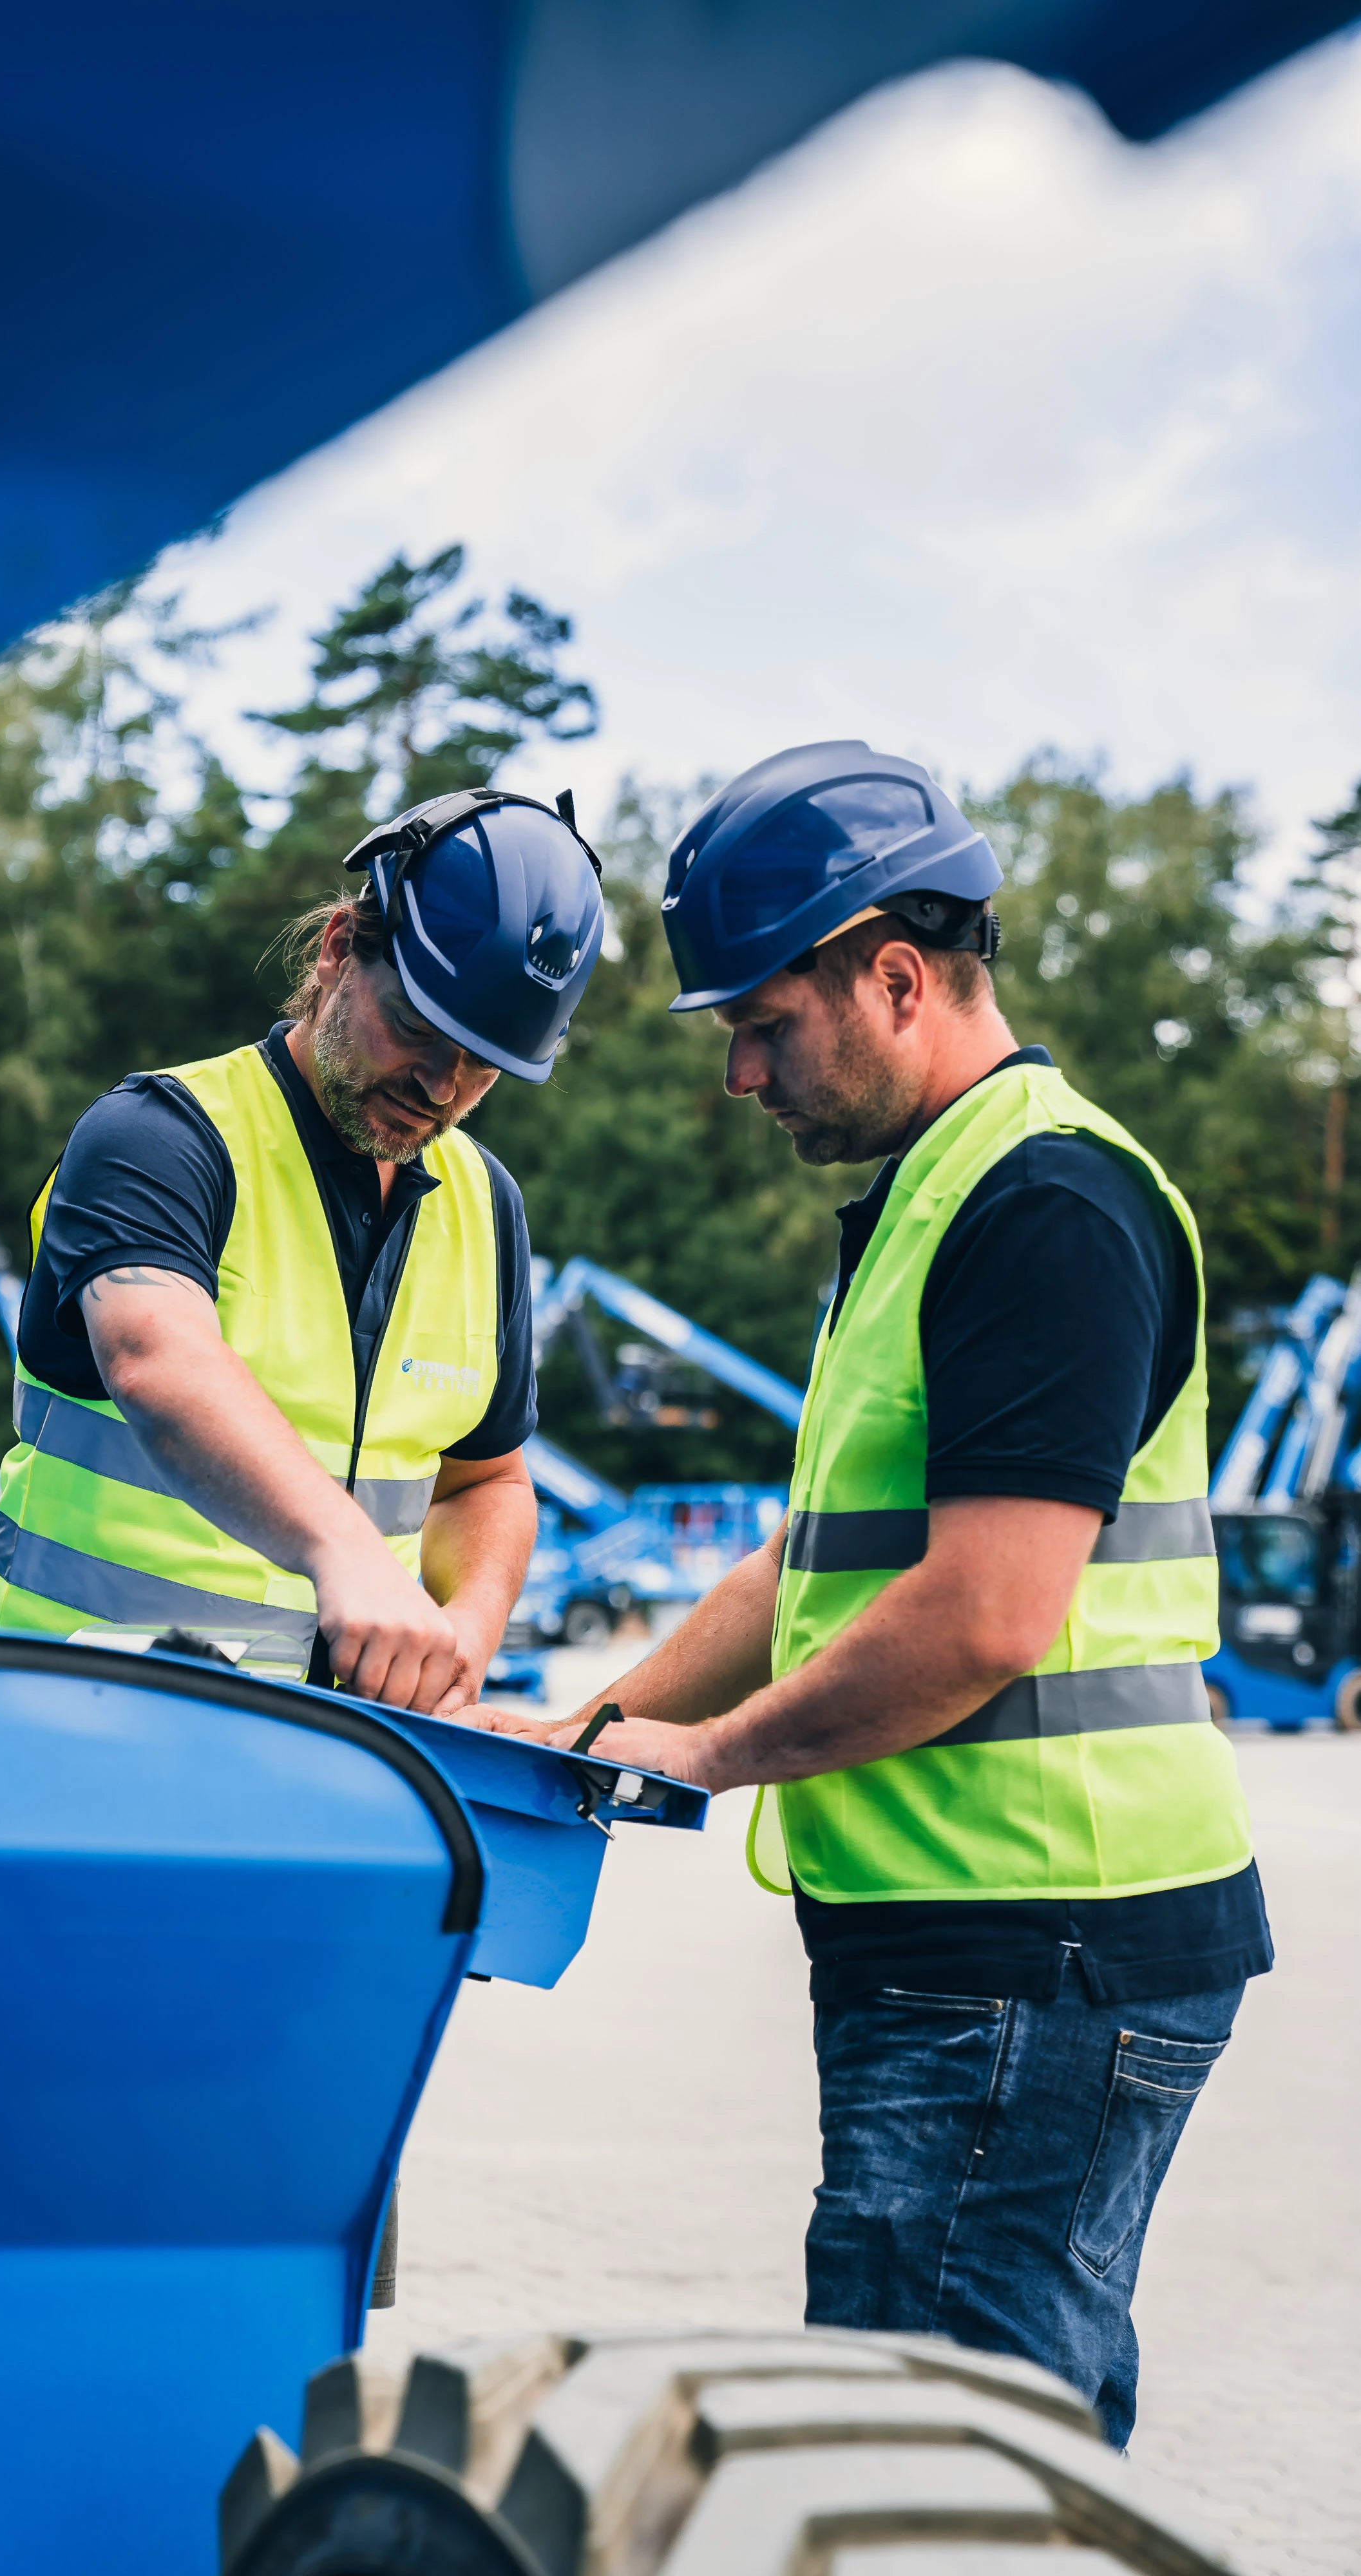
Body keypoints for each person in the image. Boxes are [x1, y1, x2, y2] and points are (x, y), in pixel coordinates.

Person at [475, 740, 1272, 2446]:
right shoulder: (936, 1197)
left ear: (894, 978)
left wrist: (720, 1754)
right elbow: (813, 1564)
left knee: (927, 2458)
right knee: (1005, 2447)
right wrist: (604, 1724)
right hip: (1001, 1937)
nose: (740, 1073)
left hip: (1038, 1939)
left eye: (762, 1023)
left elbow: (984, 1612)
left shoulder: (1041, 1203)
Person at [0, 785, 605, 1712]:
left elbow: (488, 1481)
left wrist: (470, 1623)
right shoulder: (160, 1137)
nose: (440, 1084)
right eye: (418, 1029)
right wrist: (348, 1555)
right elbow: (157, 1361)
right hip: (59, 1730)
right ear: (341, 949)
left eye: (483, 1062)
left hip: (315, 1761)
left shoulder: (486, 1206)